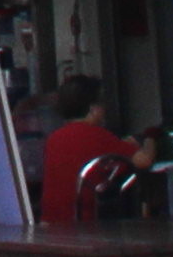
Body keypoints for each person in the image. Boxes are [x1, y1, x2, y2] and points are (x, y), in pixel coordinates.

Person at [35, 77, 140, 230]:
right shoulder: (98, 135)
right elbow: (143, 160)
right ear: (93, 109)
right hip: (84, 224)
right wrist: (151, 138)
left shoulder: (53, 138)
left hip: (49, 223)